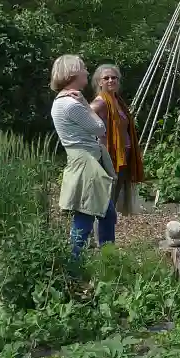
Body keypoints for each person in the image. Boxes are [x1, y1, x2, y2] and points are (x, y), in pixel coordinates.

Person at [49, 54, 116, 257]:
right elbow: (99, 128)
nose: (87, 71)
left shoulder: (61, 101)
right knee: (86, 216)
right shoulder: (72, 104)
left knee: (105, 213)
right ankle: (77, 266)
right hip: (87, 164)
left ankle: (106, 260)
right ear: (72, 73)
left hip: (83, 161)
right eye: (83, 68)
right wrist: (87, 106)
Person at [90, 64, 144, 214]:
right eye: (106, 78)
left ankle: (107, 233)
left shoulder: (117, 101)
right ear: (99, 82)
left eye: (114, 77)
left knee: (113, 197)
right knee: (106, 198)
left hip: (123, 156)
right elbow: (84, 117)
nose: (110, 80)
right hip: (109, 157)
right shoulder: (101, 102)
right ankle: (101, 233)